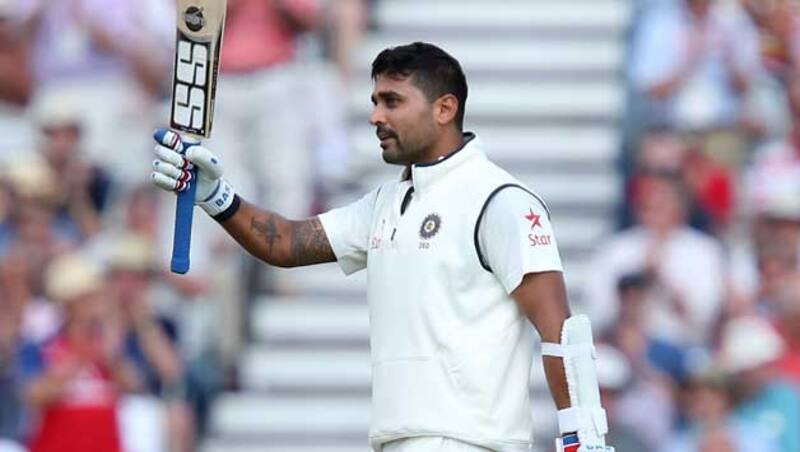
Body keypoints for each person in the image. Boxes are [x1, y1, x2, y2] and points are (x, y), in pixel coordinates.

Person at [150, 42, 612, 451]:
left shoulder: (500, 201)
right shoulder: (388, 202)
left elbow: (562, 332)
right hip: (401, 439)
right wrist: (216, 195)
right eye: (374, 101)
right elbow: (286, 244)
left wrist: (584, 439)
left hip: (471, 441)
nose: (375, 115)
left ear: (444, 109)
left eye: (392, 101)